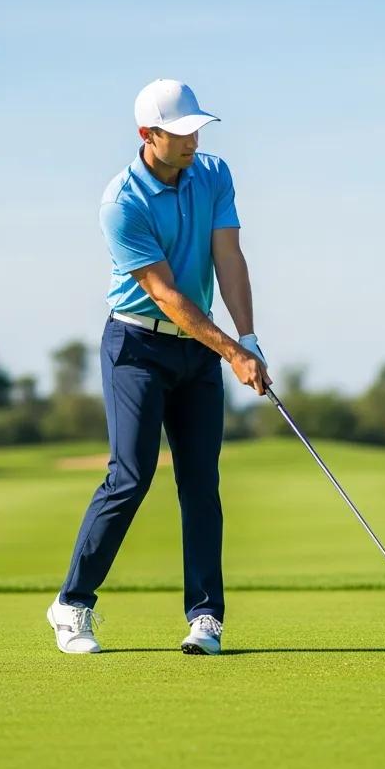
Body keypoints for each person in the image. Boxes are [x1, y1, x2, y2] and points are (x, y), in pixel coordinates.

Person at [47, 79, 272, 656]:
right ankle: (72, 606)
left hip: (199, 349)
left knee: (202, 483)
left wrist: (247, 337)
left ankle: (205, 618)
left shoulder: (214, 173)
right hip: (136, 348)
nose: (191, 139)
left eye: (195, 128)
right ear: (148, 136)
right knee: (132, 473)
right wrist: (233, 351)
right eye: (178, 132)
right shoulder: (121, 203)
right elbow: (168, 296)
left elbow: (228, 254)